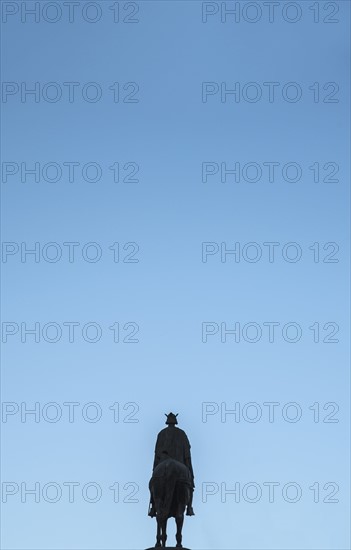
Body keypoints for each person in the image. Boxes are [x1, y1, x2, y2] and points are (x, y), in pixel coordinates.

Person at [149, 412, 195, 517]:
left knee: (153, 484)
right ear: (175, 422)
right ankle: (189, 507)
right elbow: (187, 454)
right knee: (190, 485)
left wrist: (154, 470)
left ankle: (153, 507)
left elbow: (157, 454)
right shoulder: (182, 434)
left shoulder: (161, 434)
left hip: (162, 464)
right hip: (180, 464)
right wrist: (190, 472)